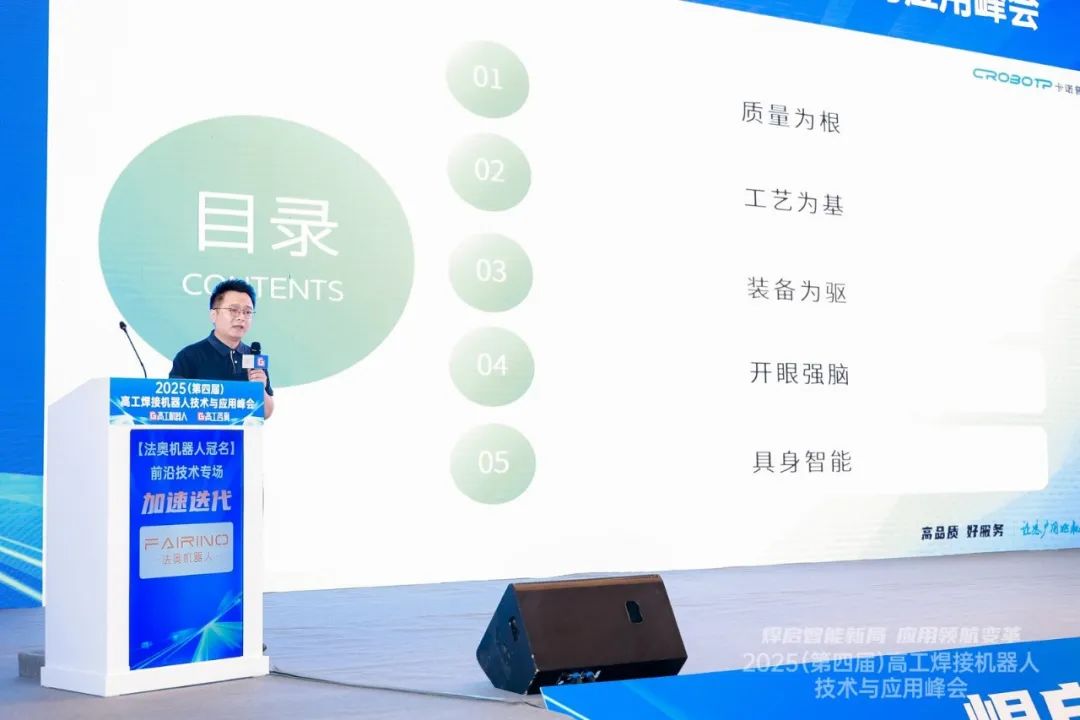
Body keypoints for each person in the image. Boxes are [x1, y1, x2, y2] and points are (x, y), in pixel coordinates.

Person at [170, 279, 275, 419]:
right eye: (233, 310)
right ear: (214, 315)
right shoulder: (189, 356)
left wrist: (260, 389)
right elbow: (174, 404)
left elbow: (266, 414)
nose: (241, 317)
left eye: (247, 312)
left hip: (245, 433)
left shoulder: (254, 357)